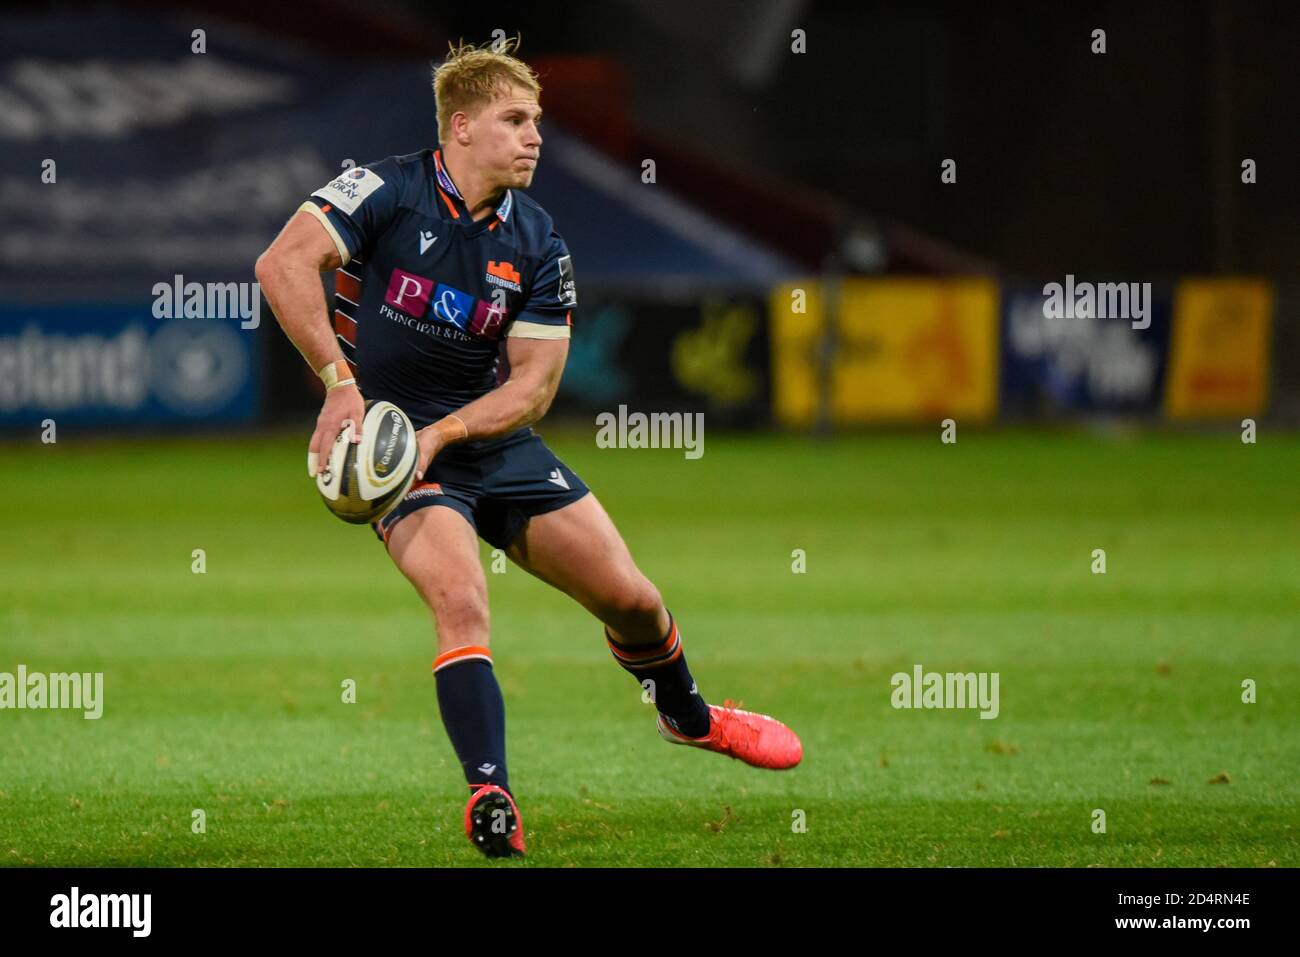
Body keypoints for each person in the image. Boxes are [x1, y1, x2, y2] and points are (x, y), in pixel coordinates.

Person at [254, 37, 802, 859]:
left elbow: (535, 386)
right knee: (462, 601)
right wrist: (341, 384)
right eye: (516, 120)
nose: (536, 136)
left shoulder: (539, 240)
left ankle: (689, 718)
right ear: (462, 127)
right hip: (393, 448)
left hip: (487, 440)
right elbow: (282, 262)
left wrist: (449, 430)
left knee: (633, 599)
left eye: (537, 121)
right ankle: (491, 791)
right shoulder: (385, 188)